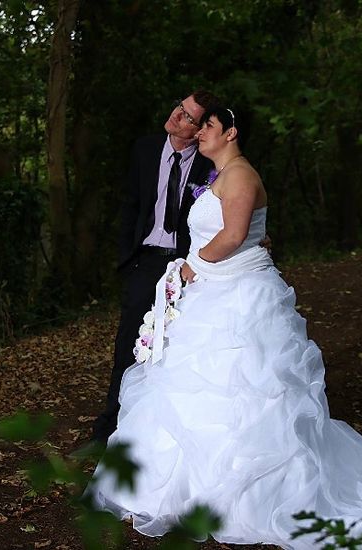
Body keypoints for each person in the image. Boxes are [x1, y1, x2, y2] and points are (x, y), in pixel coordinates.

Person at [87, 106, 362, 549]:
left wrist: (191, 266)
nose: (199, 132)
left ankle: (251, 493)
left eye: (207, 125)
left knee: (247, 387)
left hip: (238, 293)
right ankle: (185, 483)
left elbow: (231, 235)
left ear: (231, 132)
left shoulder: (241, 174)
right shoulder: (222, 174)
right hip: (213, 288)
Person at [91, 91, 221, 445]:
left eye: (189, 116)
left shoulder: (209, 165)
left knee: (177, 349)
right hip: (145, 261)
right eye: (180, 107)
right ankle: (107, 432)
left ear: (199, 131)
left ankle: (159, 438)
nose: (177, 115)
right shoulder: (145, 149)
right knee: (128, 346)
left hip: (187, 268)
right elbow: (131, 205)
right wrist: (127, 259)